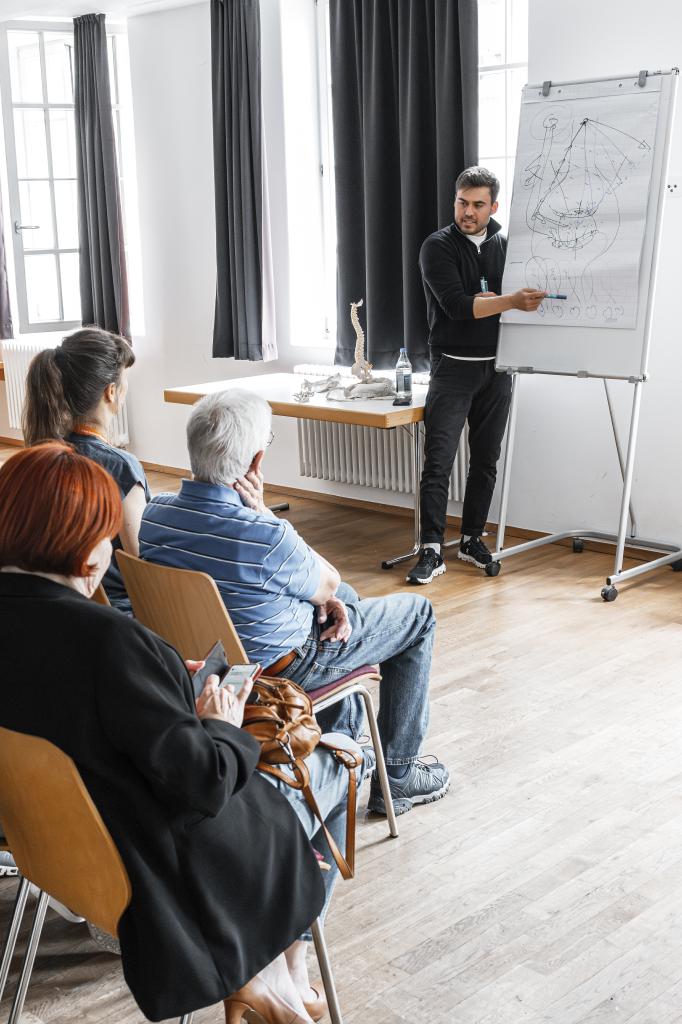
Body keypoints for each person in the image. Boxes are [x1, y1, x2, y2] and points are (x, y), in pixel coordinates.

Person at [0, 442, 364, 1024]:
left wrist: (164, 686)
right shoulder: (107, 644)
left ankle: (271, 979)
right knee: (329, 766)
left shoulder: (92, 641)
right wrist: (221, 725)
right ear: (89, 555)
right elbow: (205, 780)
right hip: (155, 863)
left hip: (55, 849)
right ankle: (274, 976)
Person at [139, 389, 450, 818]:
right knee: (420, 615)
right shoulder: (267, 536)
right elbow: (330, 579)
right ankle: (396, 776)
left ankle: (338, 744)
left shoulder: (153, 517)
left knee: (346, 601)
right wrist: (265, 513)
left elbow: (329, 590)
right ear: (255, 464)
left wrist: (331, 598)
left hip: (201, 666)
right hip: (280, 669)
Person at [406, 166, 546, 585]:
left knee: (486, 460)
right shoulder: (437, 246)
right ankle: (432, 548)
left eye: (477, 204)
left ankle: (470, 539)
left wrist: (495, 301)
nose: (468, 212)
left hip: (497, 367)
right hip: (452, 368)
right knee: (439, 463)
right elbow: (458, 307)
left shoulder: (508, 246)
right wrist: (503, 301)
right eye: (462, 203)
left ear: (493, 207)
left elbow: (492, 303)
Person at [22, 327, 150, 611]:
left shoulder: (38, 456)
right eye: (125, 382)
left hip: (56, 606)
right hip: (116, 613)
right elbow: (140, 564)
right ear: (111, 392)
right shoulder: (122, 468)